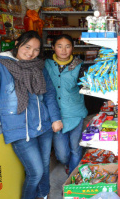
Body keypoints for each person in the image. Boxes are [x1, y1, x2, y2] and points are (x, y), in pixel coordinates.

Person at [0, 31, 63, 199]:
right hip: (20, 130)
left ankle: (43, 195)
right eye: (27, 47)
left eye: (36, 50)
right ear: (17, 44)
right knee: (35, 172)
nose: (31, 53)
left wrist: (55, 117)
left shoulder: (39, 67)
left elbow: (49, 94)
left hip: (43, 126)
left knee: (44, 166)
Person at [45, 34, 88, 175]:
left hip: (75, 113)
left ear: (73, 48)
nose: (64, 50)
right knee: (62, 154)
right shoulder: (46, 65)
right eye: (59, 46)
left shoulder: (79, 65)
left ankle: (72, 178)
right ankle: (68, 164)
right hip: (56, 116)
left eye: (68, 46)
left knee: (75, 148)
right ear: (53, 47)